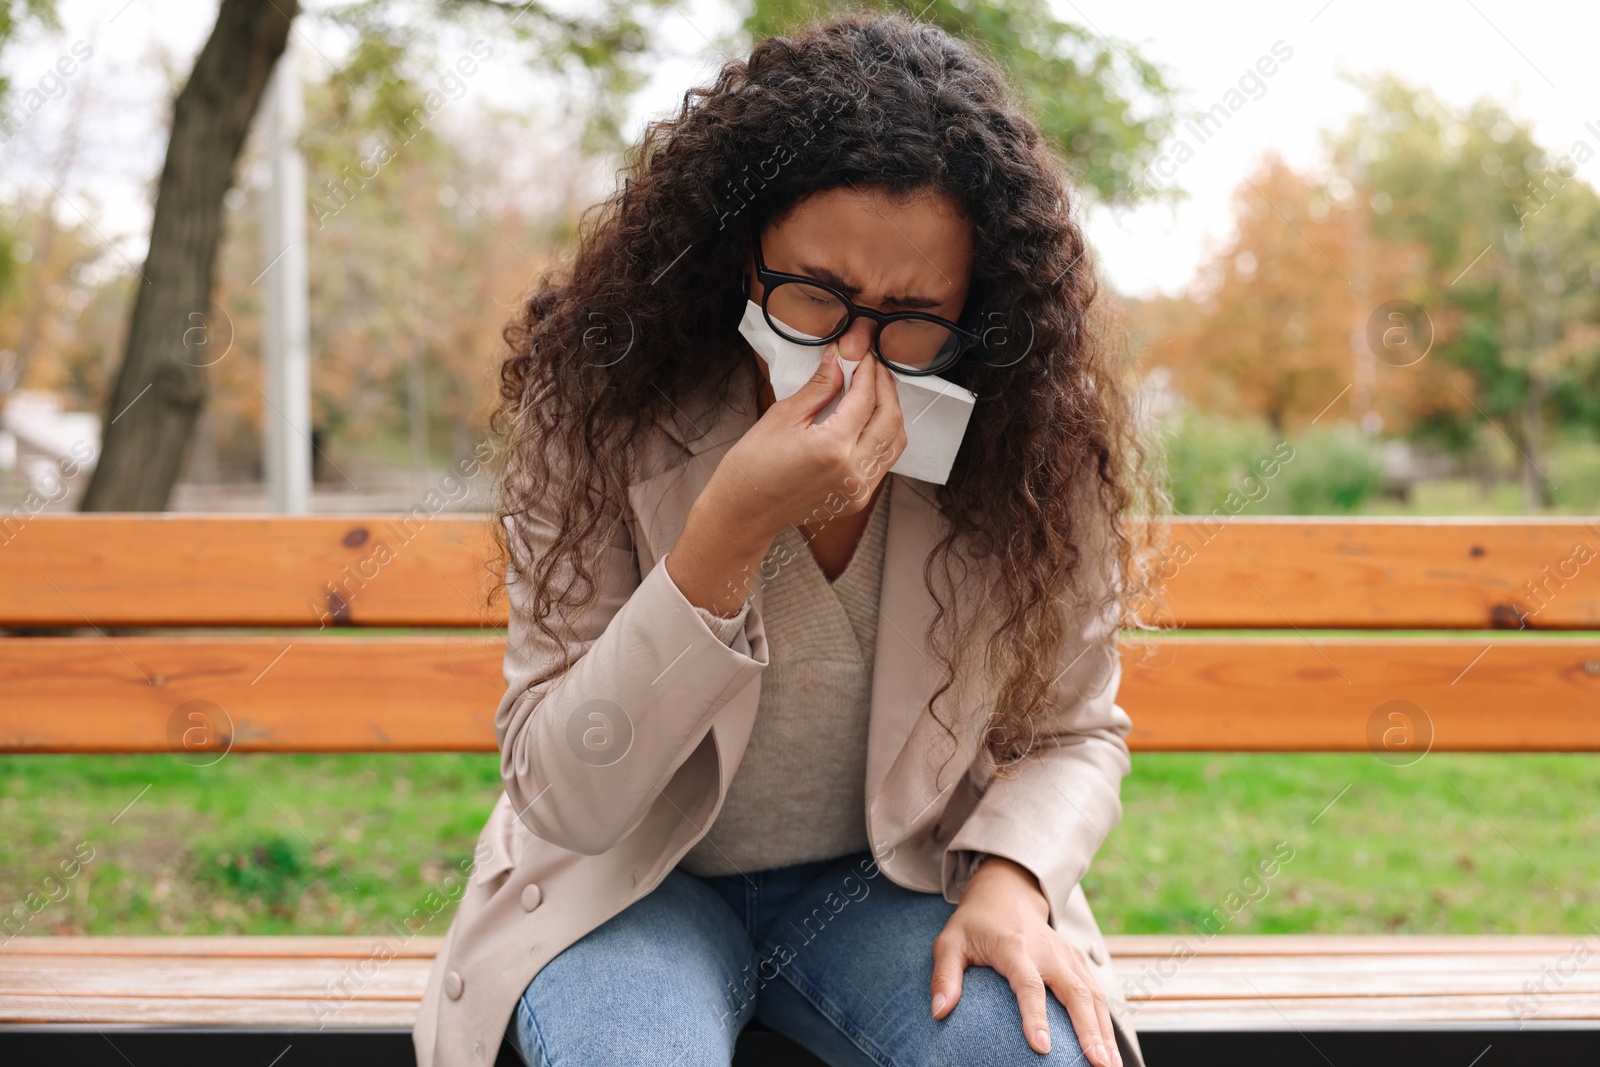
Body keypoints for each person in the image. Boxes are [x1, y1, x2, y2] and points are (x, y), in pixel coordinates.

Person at [413, 11, 1160, 1067]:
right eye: (813, 295)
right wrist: (725, 532)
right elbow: (562, 791)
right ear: (738, 254)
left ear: (974, 315)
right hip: (629, 883)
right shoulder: (600, 403)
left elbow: (1075, 732)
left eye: (908, 316)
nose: (850, 357)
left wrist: (1012, 877)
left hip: (899, 881)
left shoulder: (1028, 446)